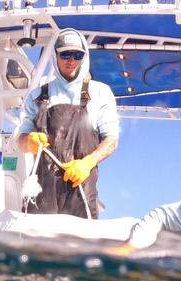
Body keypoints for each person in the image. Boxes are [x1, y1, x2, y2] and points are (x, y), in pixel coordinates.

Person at [16, 28, 119, 219]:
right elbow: (20, 140)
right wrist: (28, 141)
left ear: (84, 57)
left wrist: (87, 163)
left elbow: (111, 140)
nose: (70, 60)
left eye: (77, 55)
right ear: (55, 56)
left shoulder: (101, 93)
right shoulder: (36, 96)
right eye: (65, 54)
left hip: (81, 189)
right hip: (41, 192)